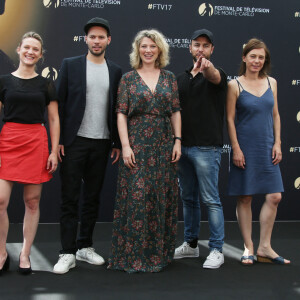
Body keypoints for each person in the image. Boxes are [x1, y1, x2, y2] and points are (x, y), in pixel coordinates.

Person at [107, 29, 181, 273]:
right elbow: (120, 113)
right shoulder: (128, 78)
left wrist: (177, 140)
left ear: (160, 49)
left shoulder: (169, 77)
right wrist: (125, 145)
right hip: (137, 144)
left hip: (163, 145)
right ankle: (133, 255)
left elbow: (175, 111)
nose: (148, 50)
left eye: (152, 46)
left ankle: (159, 254)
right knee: (137, 198)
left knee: (160, 197)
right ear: (137, 50)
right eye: (143, 46)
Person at [53, 17, 122, 274]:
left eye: (101, 37)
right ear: (86, 39)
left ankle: (85, 246)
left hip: (102, 143)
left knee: (92, 198)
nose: (96, 41)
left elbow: (117, 110)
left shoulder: (115, 71)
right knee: (69, 198)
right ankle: (67, 252)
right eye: (92, 37)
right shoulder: (70, 65)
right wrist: (58, 140)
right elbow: (58, 105)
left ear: (108, 40)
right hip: (74, 142)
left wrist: (115, 141)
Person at [226, 38, 290, 265]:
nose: (257, 61)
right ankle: (248, 247)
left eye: (261, 57)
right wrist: (236, 148)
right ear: (244, 58)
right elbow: (230, 119)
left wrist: (278, 143)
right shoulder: (235, 85)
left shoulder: (272, 82)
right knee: (245, 197)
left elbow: (276, 115)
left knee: (274, 196)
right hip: (244, 147)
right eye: (253, 56)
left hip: (267, 146)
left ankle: (265, 246)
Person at [0, 31, 59, 275]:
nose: (30, 52)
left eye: (35, 49)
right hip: (9, 140)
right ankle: (2, 253)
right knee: (0, 201)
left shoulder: (45, 84)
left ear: (41, 55)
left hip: (36, 140)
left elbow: (54, 119)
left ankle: (25, 254)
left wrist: (54, 151)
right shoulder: (3, 81)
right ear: (19, 49)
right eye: (27, 47)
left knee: (32, 202)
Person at [174, 29, 227, 269]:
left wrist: (207, 68)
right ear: (190, 47)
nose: (201, 49)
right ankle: (191, 244)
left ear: (212, 49)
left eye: (206, 45)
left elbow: (215, 76)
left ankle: (217, 249)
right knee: (188, 199)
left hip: (207, 148)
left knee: (211, 200)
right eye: (197, 44)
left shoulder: (216, 75)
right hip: (182, 147)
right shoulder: (180, 79)